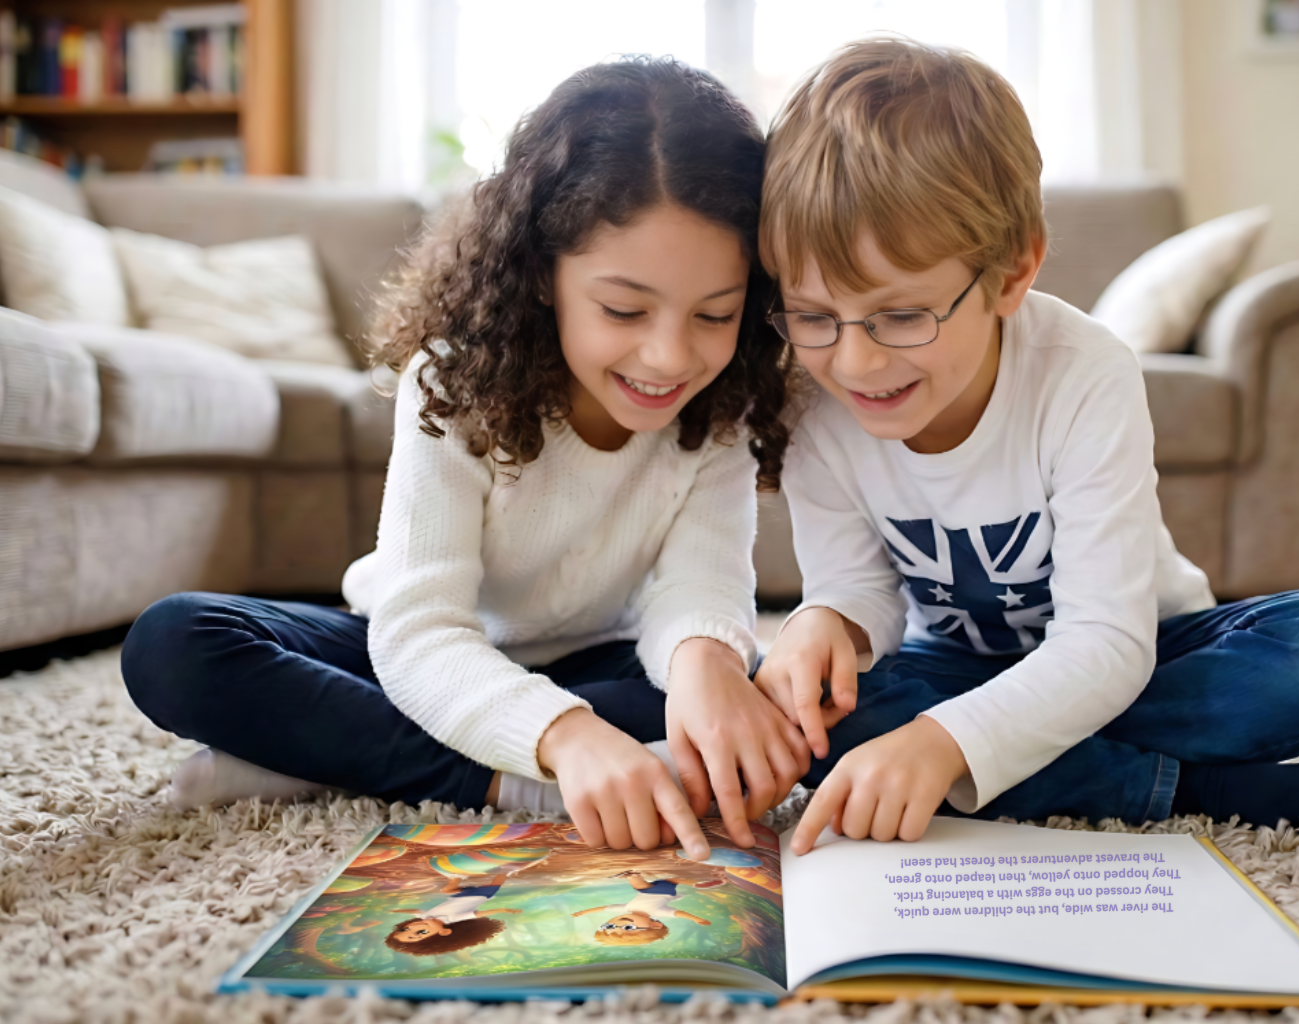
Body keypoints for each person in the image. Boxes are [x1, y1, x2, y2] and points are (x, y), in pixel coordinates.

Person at [120, 57, 813, 861]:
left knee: (746, 699)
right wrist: (566, 740)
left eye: (715, 314)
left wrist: (705, 664)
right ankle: (517, 783)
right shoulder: (455, 380)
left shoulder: (720, 406)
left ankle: (319, 758)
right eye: (624, 309)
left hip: (592, 658)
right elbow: (420, 636)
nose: (668, 357)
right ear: (544, 274)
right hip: (416, 653)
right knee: (174, 644)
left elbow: (699, 588)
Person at [751, 39, 1299, 856]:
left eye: (902, 315)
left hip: (1140, 655)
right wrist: (826, 625)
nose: (855, 361)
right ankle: (1194, 789)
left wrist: (945, 746)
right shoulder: (816, 401)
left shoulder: (1083, 371)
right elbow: (859, 591)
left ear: (1013, 272)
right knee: (799, 713)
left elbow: (1107, 642)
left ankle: (1025, 769)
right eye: (813, 317)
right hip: (961, 668)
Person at [385, 869, 528, 957]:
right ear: (444, 933)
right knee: (496, 882)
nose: (415, 928)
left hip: (459, 896)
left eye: (406, 929)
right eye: (419, 933)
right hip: (480, 896)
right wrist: (501, 910)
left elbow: (416, 911)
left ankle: (457, 871)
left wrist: (396, 910)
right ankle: (506, 870)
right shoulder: (452, 919)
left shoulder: (425, 917)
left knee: (447, 890)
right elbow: (478, 914)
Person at [571, 870, 720, 946]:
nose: (619, 924)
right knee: (663, 882)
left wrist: (583, 912)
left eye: (609, 926)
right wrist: (697, 919)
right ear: (654, 925)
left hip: (648, 889)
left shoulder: (627, 909)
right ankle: (631, 875)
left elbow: (605, 908)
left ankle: (697, 883)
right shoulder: (657, 912)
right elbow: (679, 913)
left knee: (660, 883)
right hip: (662, 892)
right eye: (628, 928)